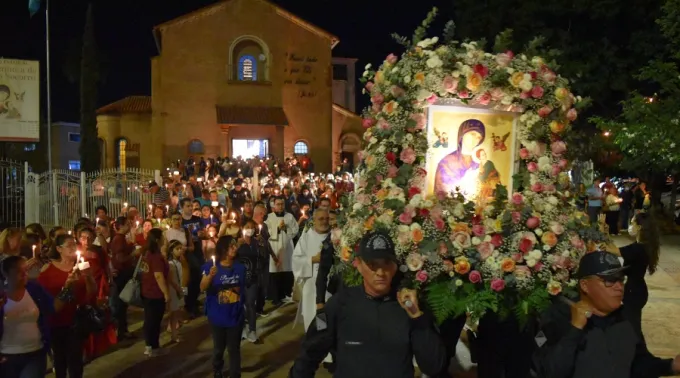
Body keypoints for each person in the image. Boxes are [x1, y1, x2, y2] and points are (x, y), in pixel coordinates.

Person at [289, 231, 447, 378]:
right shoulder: (337, 304)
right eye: (372, 264)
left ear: (395, 266)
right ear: (358, 265)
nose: (380, 272)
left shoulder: (411, 307)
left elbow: (434, 366)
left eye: (386, 263)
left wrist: (417, 317)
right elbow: (310, 349)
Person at [532, 250, 680, 378]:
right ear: (585, 285)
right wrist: (575, 329)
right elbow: (547, 371)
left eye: (621, 280)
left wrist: (671, 366)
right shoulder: (555, 317)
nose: (619, 287)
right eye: (609, 280)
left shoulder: (626, 317)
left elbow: (638, 364)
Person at [201, 236, 246, 378]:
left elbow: (243, 288)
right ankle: (217, 369)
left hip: (235, 315)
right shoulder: (210, 266)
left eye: (235, 245)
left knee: (234, 349)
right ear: (223, 248)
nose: (234, 248)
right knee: (219, 348)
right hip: (217, 316)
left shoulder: (240, 267)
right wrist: (210, 277)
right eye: (231, 246)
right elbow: (202, 287)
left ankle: (235, 374)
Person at [622, 212, 660, 338]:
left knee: (633, 328)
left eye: (632, 223)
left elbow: (612, 249)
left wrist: (601, 231)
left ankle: (638, 352)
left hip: (634, 292)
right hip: (638, 289)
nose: (630, 226)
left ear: (639, 227)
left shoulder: (638, 249)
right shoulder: (642, 246)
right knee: (632, 324)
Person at [292, 208, 330, 329]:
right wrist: (313, 259)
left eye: (327, 218)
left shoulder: (334, 237)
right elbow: (296, 260)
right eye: (321, 219)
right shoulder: (306, 237)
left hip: (330, 288)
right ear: (313, 220)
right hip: (312, 287)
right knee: (313, 322)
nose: (324, 221)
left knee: (327, 323)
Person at [139, 228, 170, 357]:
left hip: (146, 290)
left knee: (150, 319)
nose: (164, 239)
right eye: (162, 237)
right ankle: (151, 346)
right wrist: (166, 293)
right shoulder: (156, 257)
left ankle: (151, 345)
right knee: (154, 320)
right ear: (157, 240)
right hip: (155, 292)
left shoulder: (146, 253)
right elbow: (158, 276)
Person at [434, 119, 486, 194]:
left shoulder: (476, 165)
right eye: (473, 134)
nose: (475, 139)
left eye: (479, 137)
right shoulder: (447, 161)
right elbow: (440, 191)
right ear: (462, 134)